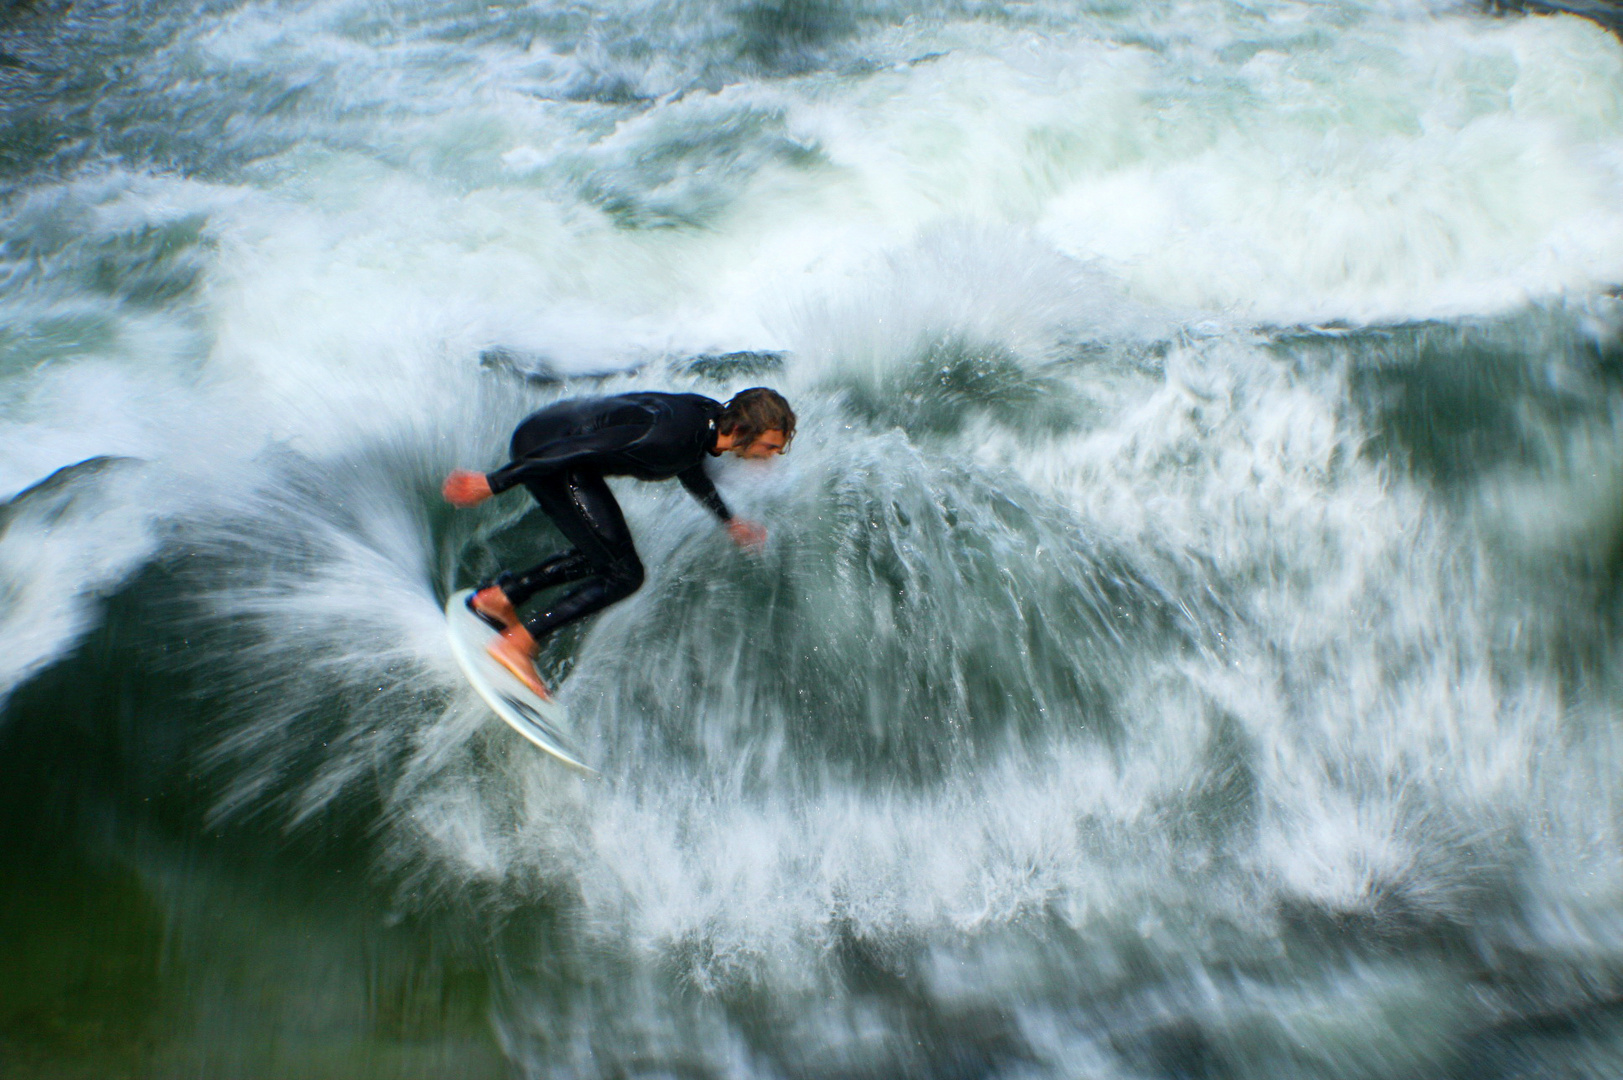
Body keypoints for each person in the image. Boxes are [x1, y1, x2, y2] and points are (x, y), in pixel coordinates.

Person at [442, 387, 795, 698]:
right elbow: (575, 447)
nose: (770, 456)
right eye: (768, 446)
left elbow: (687, 466)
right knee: (625, 574)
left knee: (607, 554)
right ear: (740, 430)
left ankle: (501, 596)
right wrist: (494, 483)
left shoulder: (704, 422)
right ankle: (518, 643)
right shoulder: (671, 436)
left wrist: (728, 520)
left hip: (550, 432)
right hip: (551, 450)